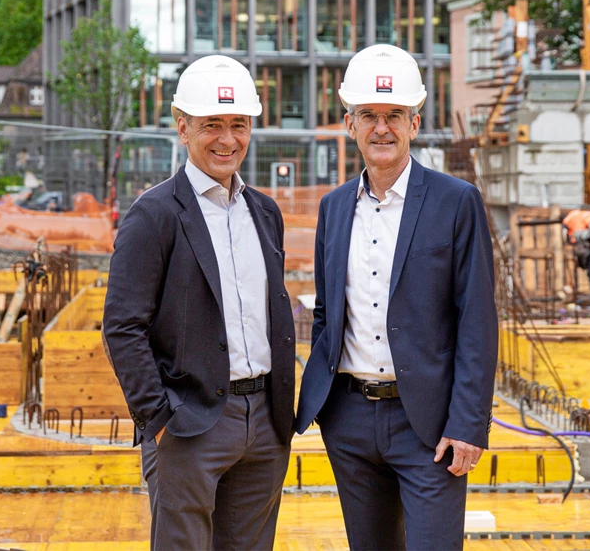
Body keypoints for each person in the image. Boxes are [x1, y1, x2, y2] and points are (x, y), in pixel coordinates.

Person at [294, 44, 498, 550]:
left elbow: (476, 318)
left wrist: (468, 424)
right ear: (350, 123)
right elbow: (327, 313)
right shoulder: (334, 207)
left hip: (427, 425)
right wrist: (328, 410)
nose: (381, 128)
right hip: (350, 420)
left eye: (394, 116)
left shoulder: (456, 201)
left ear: (414, 122)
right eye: (369, 116)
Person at [102, 55, 296, 550]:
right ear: (182, 126)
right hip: (189, 424)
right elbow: (123, 327)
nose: (227, 139)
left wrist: (279, 416)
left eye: (238, 125)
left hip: (265, 423)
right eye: (212, 125)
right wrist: (158, 417)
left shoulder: (264, 212)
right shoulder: (155, 214)